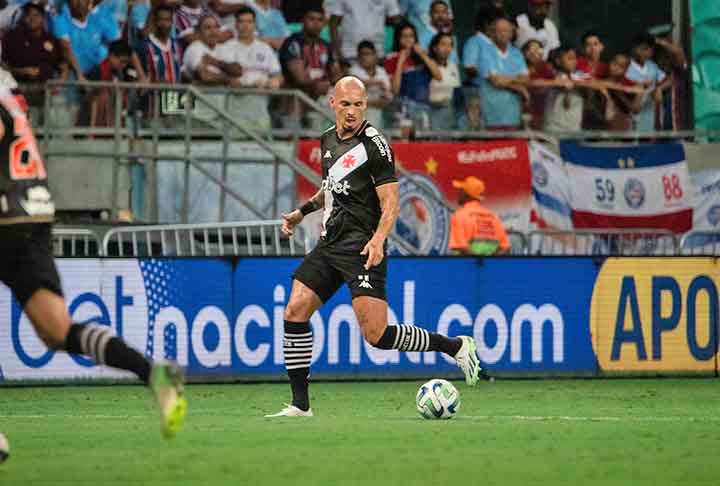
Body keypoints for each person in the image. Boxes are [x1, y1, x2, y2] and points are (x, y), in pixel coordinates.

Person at [265, 76, 481, 417]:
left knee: (376, 335)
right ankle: (300, 405)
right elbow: (331, 188)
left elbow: (391, 201)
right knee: (294, 310)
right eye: (346, 104)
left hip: (363, 247)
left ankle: (455, 346)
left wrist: (379, 238)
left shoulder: (375, 146)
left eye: (359, 105)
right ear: (332, 103)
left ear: (366, 106)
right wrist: (300, 212)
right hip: (329, 243)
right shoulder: (326, 140)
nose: (352, 112)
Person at [0, 89, 186, 437]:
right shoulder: (7, 88)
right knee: (57, 331)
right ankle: (153, 374)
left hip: (7, 215)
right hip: (32, 214)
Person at [217, 6, 282, 131]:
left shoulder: (265, 48)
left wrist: (275, 81)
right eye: (241, 22)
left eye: (249, 22)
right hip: (234, 113)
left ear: (255, 24)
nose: (245, 26)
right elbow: (224, 79)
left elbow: (278, 75)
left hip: (261, 111)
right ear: (235, 24)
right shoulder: (225, 48)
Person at [2, 2, 68, 124]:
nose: (32, 18)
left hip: (46, 91)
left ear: (43, 18)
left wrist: (59, 83)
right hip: (19, 90)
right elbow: (3, 65)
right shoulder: (13, 37)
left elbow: (63, 65)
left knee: (53, 123)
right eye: (28, 15)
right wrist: (21, 71)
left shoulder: (51, 39)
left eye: (36, 15)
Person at [278, 6, 339, 128]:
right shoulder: (293, 43)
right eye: (311, 19)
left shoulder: (326, 46)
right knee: (293, 142)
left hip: (319, 100)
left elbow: (336, 74)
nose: (315, 24)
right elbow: (299, 78)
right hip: (294, 101)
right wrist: (319, 83)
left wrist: (330, 83)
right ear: (303, 20)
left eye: (319, 20)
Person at [384, 21, 441, 130]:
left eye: (411, 36)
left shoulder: (422, 56)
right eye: (404, 36)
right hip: (403, 108)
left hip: (424, 107)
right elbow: (395, 89)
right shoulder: (391, 58)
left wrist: (423, 56)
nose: (408, 39)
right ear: (398, 38)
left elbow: (438, 76)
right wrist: (400, 62)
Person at [479, 16, 529, 130]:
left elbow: (526, 79)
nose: (502, 34)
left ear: (511, 34)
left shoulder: (516, 53)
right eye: (499, 31)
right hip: (491, 116)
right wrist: (519, 88)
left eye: (506, 31)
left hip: (514, 115)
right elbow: (496, 81)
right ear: (492, 33)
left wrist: (506, 80)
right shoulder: (485, 51)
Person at [449, 176, 509, 256]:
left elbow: (461, 247)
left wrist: (478, 262)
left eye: (460, 190)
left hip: (464, 266)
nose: (458, 193)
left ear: (465, 194)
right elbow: (505, 247)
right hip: (490, 267)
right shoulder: (493, 217)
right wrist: (489, 262)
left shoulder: (459, 215)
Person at [327, 0, 402, 63]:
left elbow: (397, 20)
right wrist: (337, 52)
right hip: (349, 53)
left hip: (377, 53)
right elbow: (333, 22)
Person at [625, 32, 672, 132]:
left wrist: (659, 89)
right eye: (644, 49)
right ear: (633, 48)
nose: (648, 53)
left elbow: (670, 80)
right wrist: (643, 90)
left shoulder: (652, 66)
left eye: (651, 50)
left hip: (653, 122)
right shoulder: (626, 68)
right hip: (633, 124)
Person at [349, 40, 392, 129]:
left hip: (378, 114)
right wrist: (378, 83)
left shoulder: (381, 72)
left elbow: (387, 98)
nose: (364, 57)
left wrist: (368, 103)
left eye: (368, 54)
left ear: (375, 56)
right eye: (362, 54)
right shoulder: (353, 70)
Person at [428, 32, 459, 129]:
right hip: (431, 113)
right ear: (435, 48)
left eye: (450, 45)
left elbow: (456, 91)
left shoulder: (453, 66)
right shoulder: (428, 65)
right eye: (443, 44)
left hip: (449, 113)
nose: (447, 49)